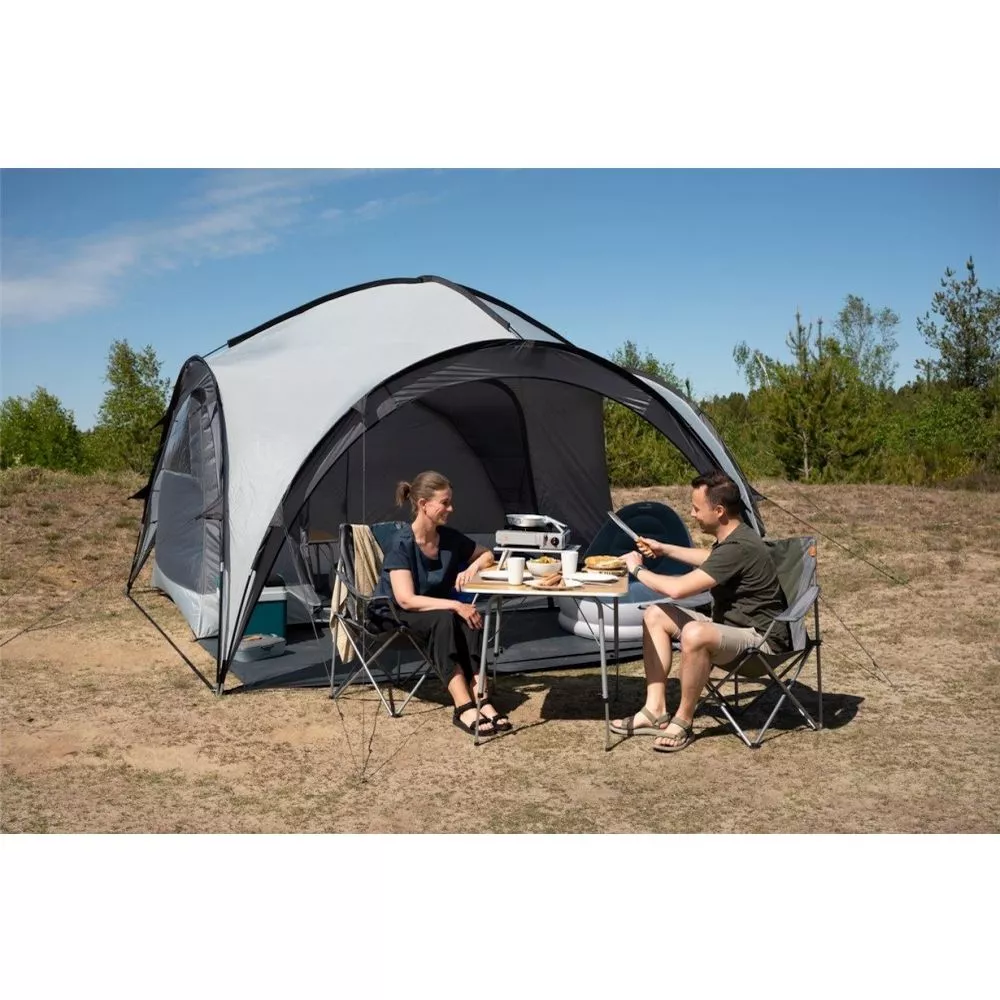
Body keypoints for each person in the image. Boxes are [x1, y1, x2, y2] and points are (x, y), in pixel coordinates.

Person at [611, 471, 791, 753]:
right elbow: (710, 558)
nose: (692, 514)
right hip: (732, 630)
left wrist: (636, 569)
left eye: (696, 508)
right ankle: (654, 709)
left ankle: (683, 720)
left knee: (694, 632)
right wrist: (663, 549)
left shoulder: (738, 547)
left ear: (718, 511)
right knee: (656, 615)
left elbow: (678, 589)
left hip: (761, 643)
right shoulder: (735, 538)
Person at [370, 470, 512, 737]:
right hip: (392, 616)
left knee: (471, 617)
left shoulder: (448, 538)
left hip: (433, 613)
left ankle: (482, 698)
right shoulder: (401, 543)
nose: (451, 508)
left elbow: (488, 554)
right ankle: (463, 705)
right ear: (424, 504)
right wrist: (455, 605)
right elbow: (406, 599)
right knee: (447, 616)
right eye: (445, 503)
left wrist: (472, 567)